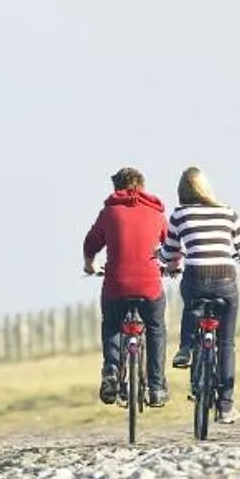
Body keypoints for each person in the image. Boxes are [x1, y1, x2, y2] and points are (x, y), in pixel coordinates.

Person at [80, 166, 177, 407]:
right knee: (156, 328)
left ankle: (111, 370)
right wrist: (174, 265)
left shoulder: (109, 213)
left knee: (112, 324)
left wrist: (89, 265)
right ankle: (156, 387)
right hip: (149, 285)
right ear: (142, 186)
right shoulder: (156, 213)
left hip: (117, 285)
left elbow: (90, 242)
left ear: (117, 188)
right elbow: (172, 245)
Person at [167, 167, 240, 423]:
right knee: (226, 343)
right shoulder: (227, 212)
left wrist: (163, 260)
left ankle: (186, 347)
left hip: (195, 279)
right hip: (225, 280)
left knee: (190, 303)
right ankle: (226, 406)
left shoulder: (180, 214)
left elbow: (170, 250)